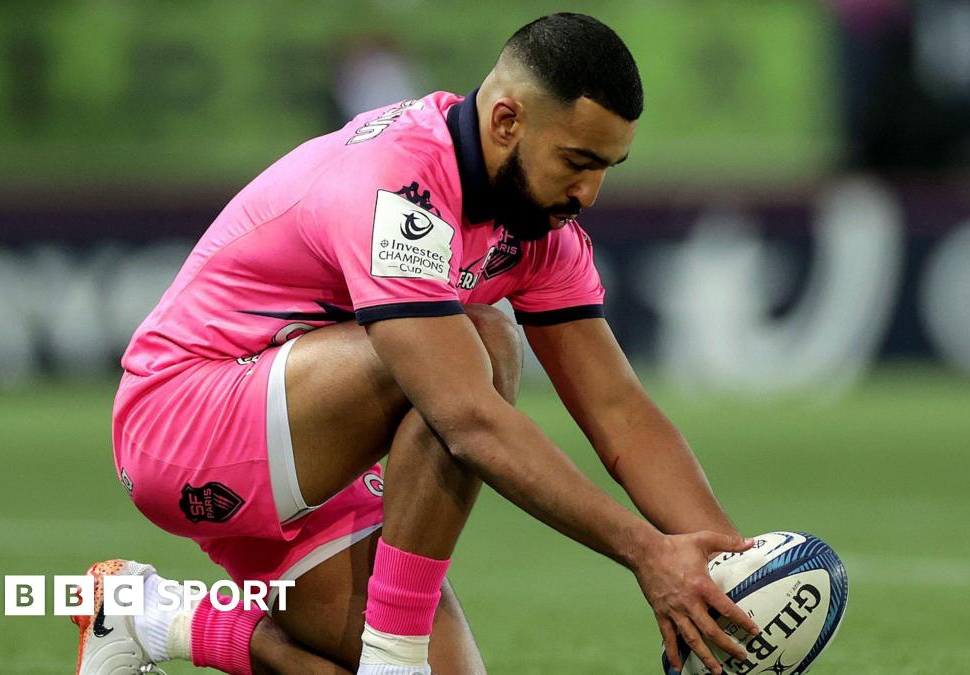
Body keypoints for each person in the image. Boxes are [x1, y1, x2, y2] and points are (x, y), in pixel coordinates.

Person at [75, 13, 758, 675]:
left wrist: (738, 571)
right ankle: (393, 658)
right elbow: (464, 418)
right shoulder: (398, 182)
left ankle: (147, 616)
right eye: (576, 160)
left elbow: (619, 413)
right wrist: (646, 551)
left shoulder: (544, 229)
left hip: (315, 448)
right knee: (479, 344)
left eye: (607, 166)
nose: (589, 191)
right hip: (184, 421)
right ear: (506, 120)